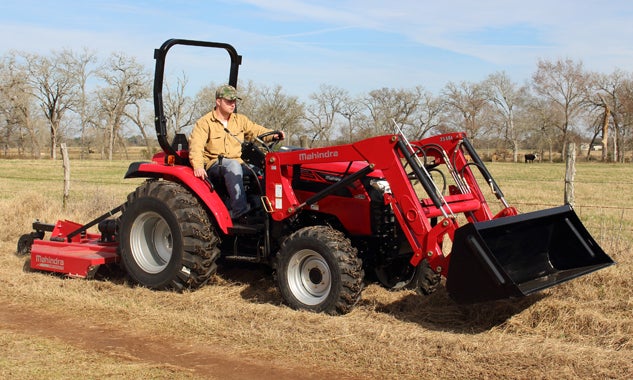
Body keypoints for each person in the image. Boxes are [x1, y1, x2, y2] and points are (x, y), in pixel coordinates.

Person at [189, 84, 283, 221]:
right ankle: (241, 213)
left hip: (238, 163)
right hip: (216, 164)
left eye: (234, 101)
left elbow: (256, 131)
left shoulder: (240, 120)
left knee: (266, 169)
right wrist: (197, 166)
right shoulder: (205, 123)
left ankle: (266, 209)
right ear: (218, 101)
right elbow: (196, 145)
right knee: (233, 165)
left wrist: (273, 135)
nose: (232, 104)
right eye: (229, 101)